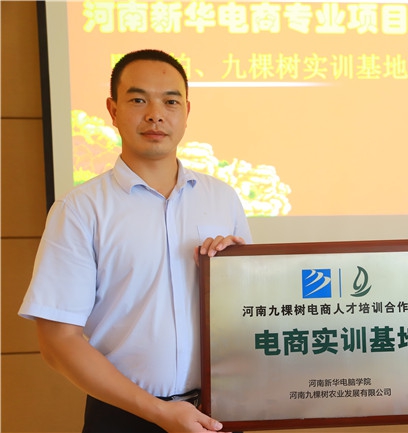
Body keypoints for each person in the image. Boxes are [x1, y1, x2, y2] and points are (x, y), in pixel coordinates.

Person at [19, 49, 252, 433]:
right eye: (138, 100)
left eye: (170, 102)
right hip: (124, 417)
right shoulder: (80, 209)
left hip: (220, 412)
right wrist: (159, 412)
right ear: (113, 110)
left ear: (187, 111)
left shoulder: (222, 198)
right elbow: (58, 343)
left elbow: (248, 313)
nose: (155, 115)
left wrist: (242, 275)